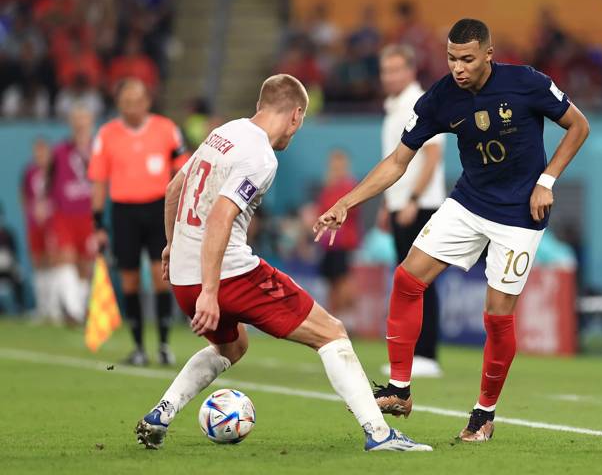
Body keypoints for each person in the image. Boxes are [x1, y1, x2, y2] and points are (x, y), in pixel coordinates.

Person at [314, 19, 590, 442]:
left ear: (488, 55)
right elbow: (396, 161)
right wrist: (346, 202)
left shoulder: (526, 83)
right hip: (468, 203)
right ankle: (401, 389)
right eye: (451, 58)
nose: (458, 67)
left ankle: (484, 415)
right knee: (407, 278)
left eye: (467, 59)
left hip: (519, 216)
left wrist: (546, 181)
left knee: (497, 317)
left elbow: (578, 126)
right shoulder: (441, 97)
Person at [134, 74, 430, 452]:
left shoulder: (224, 132)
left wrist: (173, 246)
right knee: (332, 332)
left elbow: (175, 188)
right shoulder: (260, 156)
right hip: (225, 275)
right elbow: (222, 216)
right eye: (300, 122)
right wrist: (211, 291)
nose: (297, 131)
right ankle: (379, 433)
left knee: (233, 347)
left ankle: (163, 411)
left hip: (183, 276)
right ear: (295, 115)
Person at [88, 78, 187, 366]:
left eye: (136, 100)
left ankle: (165, 344)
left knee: (161, 276)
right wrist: (98, 223)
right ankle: (139, 348)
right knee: (129, 279)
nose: (131, 106)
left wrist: (181, 211)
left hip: (158, 210)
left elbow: (183, 170)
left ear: (147, 101)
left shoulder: (166, 129)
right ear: (119, 104)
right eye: (126, 101)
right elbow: (98, 181)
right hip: (124, 212)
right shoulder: (107, 135)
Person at [379, 44, 446, 378]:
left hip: (420, 207)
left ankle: (426, 354)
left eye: (395, 70)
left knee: (419, 281)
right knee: (407, 280)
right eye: (385, 70)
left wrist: (413, 200)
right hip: (402, 205)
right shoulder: (394, 106)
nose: (388, 76)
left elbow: (433, 155)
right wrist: (387, 202)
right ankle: (413, 353)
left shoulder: (417, 103)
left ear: (410, 71)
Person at [46, 105, 96, 325]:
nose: (80, 123)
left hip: (89, 214)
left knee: (85, 265)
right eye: (76, 118)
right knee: (66, 257)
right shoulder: (59, 151)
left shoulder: (98, 149)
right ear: (71, 123)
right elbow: (48, 179)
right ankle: (73, 311)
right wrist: (43, 202)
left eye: (84, 118)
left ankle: (79, 306)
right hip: (64, 214)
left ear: (91, 122)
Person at [316, 150, 360, 314]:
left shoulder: (349, 186)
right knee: (332, 282)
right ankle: (334, 316)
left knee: (343, 281)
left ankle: (346, 317)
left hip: (344, 242)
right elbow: (321, 212)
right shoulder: (328, 187)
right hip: (328, 244)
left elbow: (349, 212)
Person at [20, 138, 53, 319]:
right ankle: (42, 307)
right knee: (38, 263)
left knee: (53, 262)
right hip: (35, 225)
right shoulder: (29, 172)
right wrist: (30, 215)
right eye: (36, 152)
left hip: (52, 224)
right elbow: (24, 196)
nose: (39, 155)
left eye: (42, 151)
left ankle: (54, 306)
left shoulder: (54, 172)